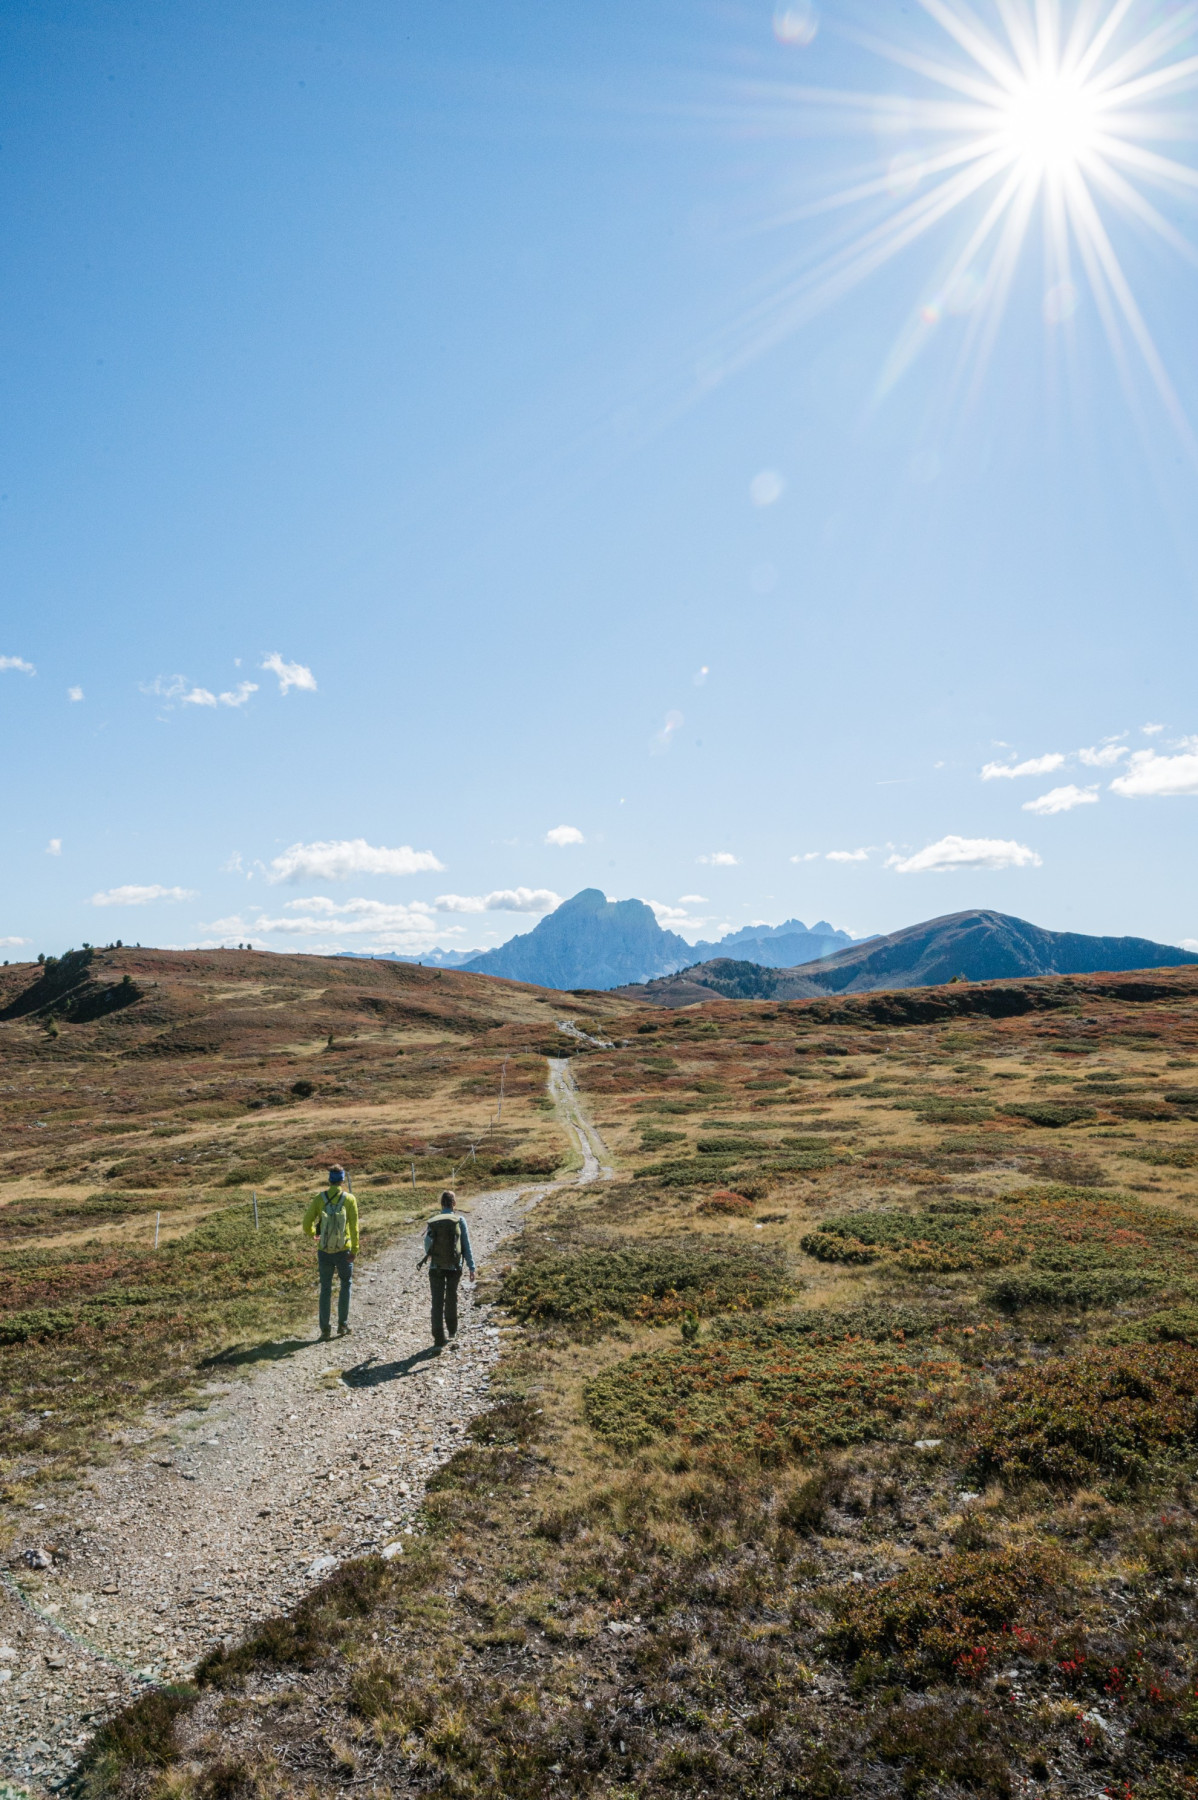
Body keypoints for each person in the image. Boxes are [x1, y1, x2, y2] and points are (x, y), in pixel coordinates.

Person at [303, 1166, 359, 1341]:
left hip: (324, 1251)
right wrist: (355, 1249)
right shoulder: (349, 1199)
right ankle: (343, 1325)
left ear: (329, 1180)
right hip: (344, 1250)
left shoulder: (319, 1199)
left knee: (325, 1289)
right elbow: (354, 1227)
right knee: (345, 1285)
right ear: (342, 1181)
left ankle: (325, 1330)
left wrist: (315, 1235)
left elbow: (306, 1223)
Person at [421, 1190, 475, 1348]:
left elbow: (427, 1245)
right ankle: (452, 1331)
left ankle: (438, 1339)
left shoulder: (434, 1220)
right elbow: (466, 1245)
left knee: (436, 1302)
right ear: (454, 1204)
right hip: (454, 1266)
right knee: (451, 1297)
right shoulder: (459, 1220)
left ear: (441, 1204)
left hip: (436, 1266)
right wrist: (472, 1267)